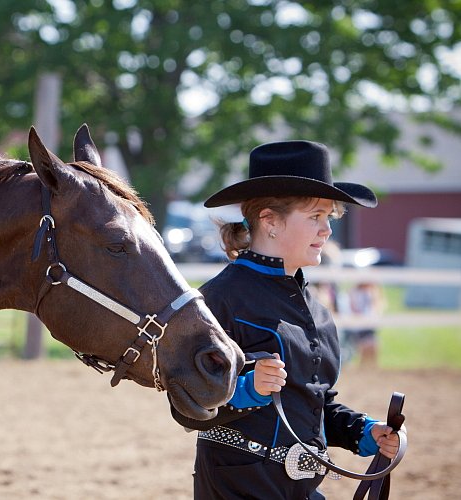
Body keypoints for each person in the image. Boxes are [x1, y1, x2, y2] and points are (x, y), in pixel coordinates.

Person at [169, 140, 402, 499]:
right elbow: (185, 406)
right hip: (236, 486)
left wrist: (363, 432)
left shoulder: (317, 309)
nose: (327, 231)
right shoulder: (219, 299)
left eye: (328, 218)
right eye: (315, 217)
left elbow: (314, 404)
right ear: (270, 221)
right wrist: (247, 389)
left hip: (302, 488)